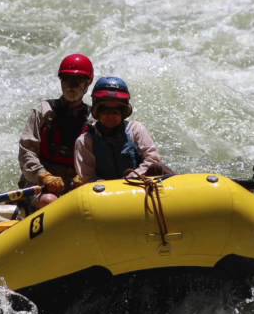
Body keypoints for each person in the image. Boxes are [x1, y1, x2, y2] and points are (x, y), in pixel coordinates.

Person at [18, 53, 94, 208]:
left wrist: (85, 177)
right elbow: (26, 151)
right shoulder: (44, 111)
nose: (71, 86)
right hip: (39, 184)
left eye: (77, 81)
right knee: (49, 201)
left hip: (76, 183)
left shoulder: (93, 119)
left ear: (87, 84)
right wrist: (43, 176)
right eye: (66, 80)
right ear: (61, 81)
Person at [73, 77, 172, 183]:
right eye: (106, 111)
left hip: (138, 183)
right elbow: (88, 177)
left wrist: (130, 178)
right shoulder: (85, 141)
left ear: (123, 112)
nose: (110, 116)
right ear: (97, 112)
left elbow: (152, 158)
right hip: (105, 192)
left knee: (159, 167)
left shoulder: (135, 129)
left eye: (115, 111)